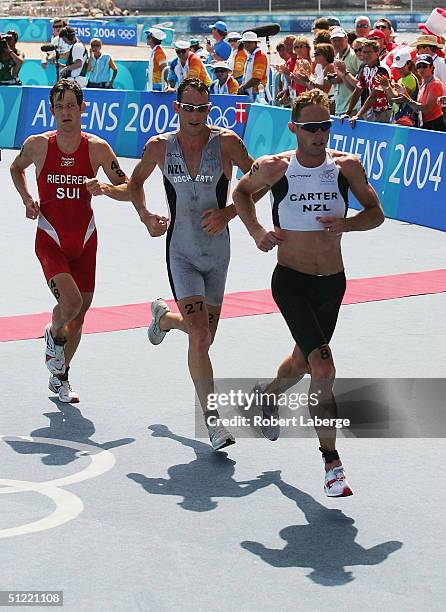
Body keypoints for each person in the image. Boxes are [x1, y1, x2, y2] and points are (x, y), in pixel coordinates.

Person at [232, 89, 384, 497]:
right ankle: (331, 464)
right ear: (294, 128)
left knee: (303, 360)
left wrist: (347, 225)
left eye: (325, 126)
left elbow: (376, 214)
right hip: (291, 282)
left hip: (332, 284)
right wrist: (258, 231)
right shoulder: (276, 168)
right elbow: (240, 194)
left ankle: (265, 395)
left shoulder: (346, 167)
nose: (319, 134)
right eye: (311, 127)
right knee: (324, 368)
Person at [127, 78, 258, 451]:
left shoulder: (228, 143)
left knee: (204, 336)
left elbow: (259, 183)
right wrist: (145, 215)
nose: (196, 115)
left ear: (210, 108)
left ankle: (165, 319)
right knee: (200, 337)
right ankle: (213, 423)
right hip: (181, 252)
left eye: (203, 108)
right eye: (189, 107)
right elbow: (135, 184)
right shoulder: (159, 147)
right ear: (176, 107)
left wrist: (231, 212)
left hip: (218, 255)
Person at [10, 80, 130, 403]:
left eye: (71, 106)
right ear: (52, 110)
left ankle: (61, 377)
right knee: (72, 303)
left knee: (79, 315)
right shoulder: (37, 145)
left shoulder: (98, 149)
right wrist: (27, 198)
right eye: (59, 106)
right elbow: (15, 168)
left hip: (85, 240)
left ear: (82, 109)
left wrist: (106, 188)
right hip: (50, 238)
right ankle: (52, 334)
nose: (66, 112)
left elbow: (128, 187)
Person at [400, 54, 445, 131]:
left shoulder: (435, 84)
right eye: (418, 66)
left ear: (432, 67)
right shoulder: (424, 83)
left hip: (434, 125)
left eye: (424, 66)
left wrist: (408, 101)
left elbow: (427, 109)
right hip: (424, 124)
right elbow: (419, 106)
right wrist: (405, 95)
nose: (421, 69)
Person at [330, 26, 362, 116]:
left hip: (353, 109)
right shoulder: (337, 56)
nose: (337, 43)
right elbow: (343, 77)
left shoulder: (354, 55)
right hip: (340, 107)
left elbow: (361, 83)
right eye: (334, 40)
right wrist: (336, 78)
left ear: (346, 38)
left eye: (339, 40)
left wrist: (345, 74)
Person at [238, 31, 268, 101]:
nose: (246, 44)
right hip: (251, 93)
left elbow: (257, 78)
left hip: (258, 94)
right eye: (245, 42)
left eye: (250, 42)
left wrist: (242, 87)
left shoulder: (259, 56)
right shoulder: (251, 55)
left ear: (255, 43)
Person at [144, 27, 168, 92]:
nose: (146, 38)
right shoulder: (155, 51)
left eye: (148, 37)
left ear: (151, 39)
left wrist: (167, 85)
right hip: (154, 84)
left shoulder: (159, 52)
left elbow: (165, 68)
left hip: (158, 86)